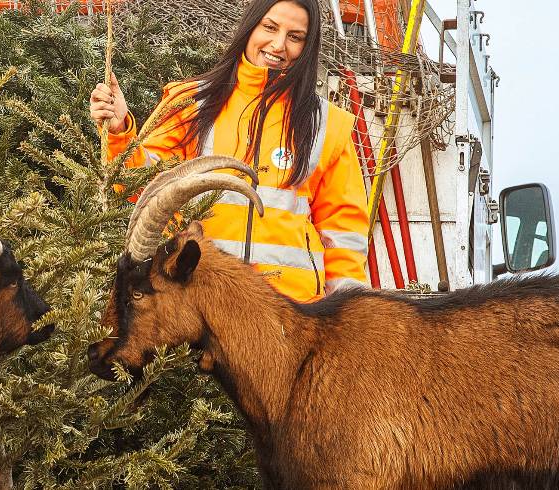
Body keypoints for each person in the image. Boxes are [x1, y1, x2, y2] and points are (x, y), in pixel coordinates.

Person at [89, 0, 369, 301]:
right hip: (198, 304)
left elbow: (344, 233)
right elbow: (142, 187)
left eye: (295, 36)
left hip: (291, 313)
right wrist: (120, 132)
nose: (278, 45)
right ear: (251, 27)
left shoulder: (326, 125)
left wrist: (352, 316)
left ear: (307, 46)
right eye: (270, 27)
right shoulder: (191, 102)